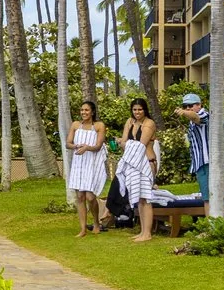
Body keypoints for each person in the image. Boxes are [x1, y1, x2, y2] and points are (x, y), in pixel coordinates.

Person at [119, 98, 162, 241]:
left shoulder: (149, 123)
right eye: (135, 109)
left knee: (145, 198)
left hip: (147, 163)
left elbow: (141, 144)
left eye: (140, 109)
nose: (137, 112)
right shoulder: (129, 122)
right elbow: (123, 142)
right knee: (139, 198)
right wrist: (125, 143)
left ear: (145, 110)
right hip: (133, 164)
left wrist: (126, 143)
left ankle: (147, 233)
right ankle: (143, 231)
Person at [65, 101, 110, 236]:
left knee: (90, 197)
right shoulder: (75, 125)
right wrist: (76, 146)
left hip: (92, 162)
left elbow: (98, 145)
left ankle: (96, 223)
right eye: (82, 110)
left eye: (86, 110)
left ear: (92, 112)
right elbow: (68, 143)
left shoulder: (98, 126)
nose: (84, 112)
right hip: (79, 162)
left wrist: (87, 148)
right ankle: (83, 228)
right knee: (80, 196)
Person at [179, 93, 211, 194]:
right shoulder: (191, 121)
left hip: (207, 162)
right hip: (200, 163)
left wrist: (183, 112)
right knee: (206, 197)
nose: (188, 108)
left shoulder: (204, 114)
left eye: (190, 105)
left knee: (209, 198)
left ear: (199, 105)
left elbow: (196, 117)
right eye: (185, 106)